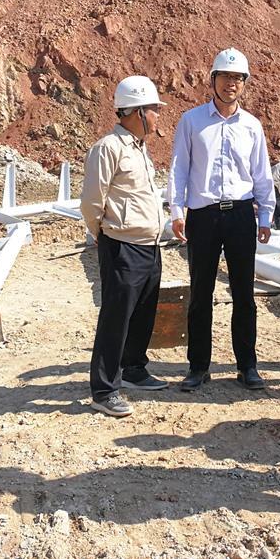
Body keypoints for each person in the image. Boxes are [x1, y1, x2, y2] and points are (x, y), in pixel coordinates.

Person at [167, 47, 275, 392]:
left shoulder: (252, 126)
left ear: (244, 84)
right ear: (212, 79)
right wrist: (177, 211)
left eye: (238, 78)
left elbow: (261, 173)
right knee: (201, 293)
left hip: (241, 214)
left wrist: (266, 215)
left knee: (244, 294)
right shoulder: (192, 121)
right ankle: (198, 366)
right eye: (226, 76)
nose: (232, 83)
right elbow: (179, 168)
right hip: (203, 216)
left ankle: (247, 366)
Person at [80, 75, 169, 418]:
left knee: (143, 312)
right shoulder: (108, 148)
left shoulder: (139, 148)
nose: (158, 116)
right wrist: (104, 235)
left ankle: (134, 369)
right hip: (122, 246)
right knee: (115, 318)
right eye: (154, 109)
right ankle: (104, 389)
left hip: (149, 245)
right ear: (136, 111)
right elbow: (92, 202)